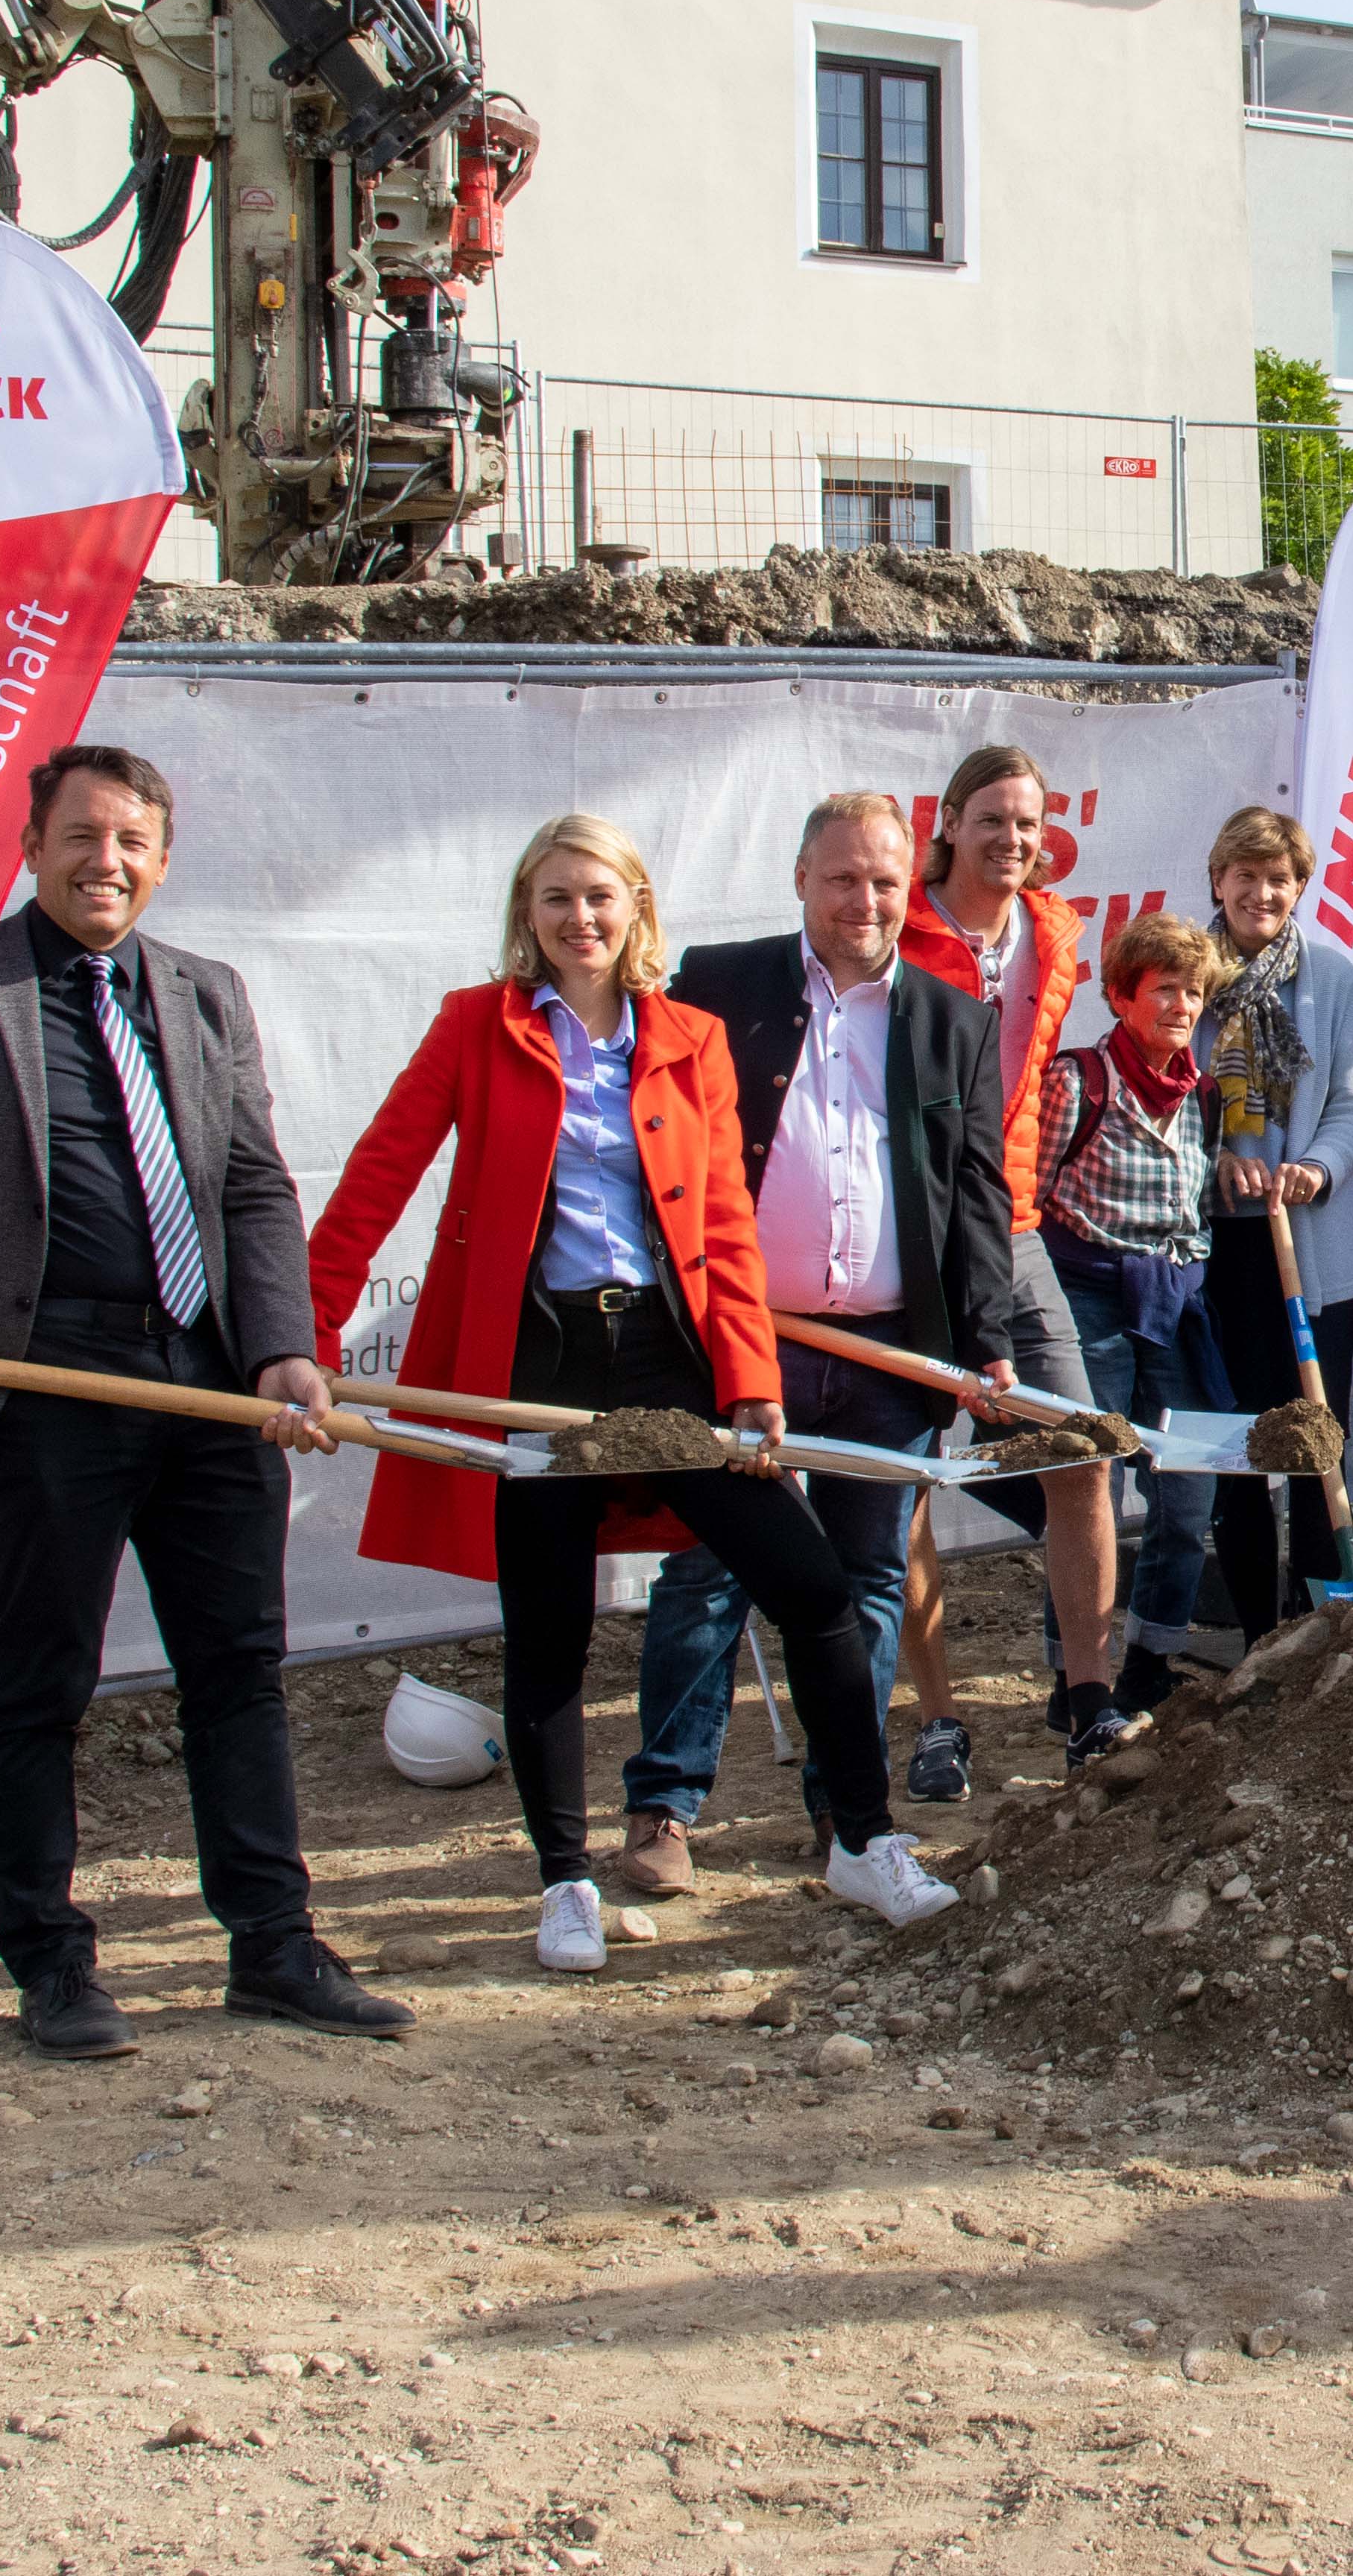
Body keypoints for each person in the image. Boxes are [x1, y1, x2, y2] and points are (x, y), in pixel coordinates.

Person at [0, 745, 409, 2058]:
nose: (104, 860)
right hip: (44, 1379)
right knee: (41, 1675)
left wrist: (284, 1346)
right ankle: (51, 1962)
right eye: (81, 834)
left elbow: (253, 1187)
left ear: (161, 862)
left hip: (211, 1381)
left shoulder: (207, 993)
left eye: (132, 841)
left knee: (240, 1668)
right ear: (31, 842)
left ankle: (273, 1947)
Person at [306, 812, 956, 1973]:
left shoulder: (687, 1036)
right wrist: (299, 1339)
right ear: (528, 915)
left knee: (811, 1592)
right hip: (538, 1367)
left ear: (637, 909)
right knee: (548, 1632)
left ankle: (861, 1840)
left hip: (668, 1362)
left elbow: (722, 1223)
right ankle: (564, 1880)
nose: (580, 919)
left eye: (600, 897)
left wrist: (751, 1379)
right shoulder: (475, 1027)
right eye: (556, 899)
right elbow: (374, 1179)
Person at [613, 792, 1022, 1899]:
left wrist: (984, 1340)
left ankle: (845, 1816)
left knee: (868, 1578)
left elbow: (978, 1197)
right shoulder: (720, 983)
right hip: (744, 1344)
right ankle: (664, 1805)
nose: (865, 900)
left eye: (886, 881)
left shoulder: (954, 1022)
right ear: (801, 879)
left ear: (912, 888)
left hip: (889, 1353)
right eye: (842, 878)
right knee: (707, 1573)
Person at [889, 745, 1120, 1735]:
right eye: (992, 819)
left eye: (1028, 823)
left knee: (1081, 1454)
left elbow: (1018, 1095)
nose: (1013, 839)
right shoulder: (889, 925)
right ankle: (939, 1719)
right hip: (898, 1242)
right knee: (904, 1482)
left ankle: (1087, 1700)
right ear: (945, 823)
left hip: (1014, 1231)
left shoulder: (1054, 933)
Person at [1035, 911, 1237, 1742]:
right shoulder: (1076, 1081)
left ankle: (1151, 1661)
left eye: (1193, 990)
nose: (1181, 1005)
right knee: (1088, 1494)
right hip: (1090, 1302)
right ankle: (1072, 1674)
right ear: (1122, 995)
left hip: (1178, 1308)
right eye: (1163, 989)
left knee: (1190, 1493)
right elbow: (1029, 1200)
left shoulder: (1205, 1093)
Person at [1195, 806, 1353, 1650]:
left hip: (1310, 1243)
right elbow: (1163, 1092)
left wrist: (1318, 1166)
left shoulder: (1334, 979)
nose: (1262, 892)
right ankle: (1249, 1633)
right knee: (1238, 1450)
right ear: (1218, 882)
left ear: (1300, 887)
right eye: (1247, 875)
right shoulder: (1185, 971)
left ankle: (1317, 1626)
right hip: (1219, 1248)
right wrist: (1216, 1160)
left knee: (1315, 1438)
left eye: (1281, 879)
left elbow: (1352, 1099)